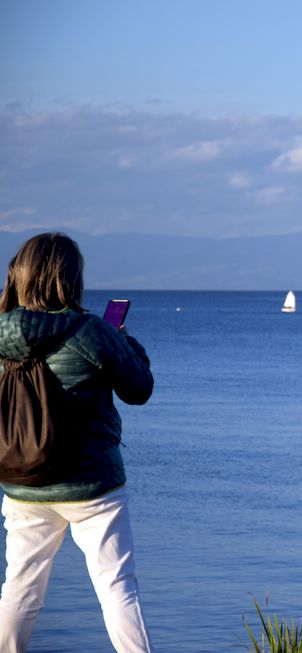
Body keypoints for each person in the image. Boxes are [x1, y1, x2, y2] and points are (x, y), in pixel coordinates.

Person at [0, 233, 155, 652]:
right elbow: (139, 388)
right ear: (70, 279)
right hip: (93, 488)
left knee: (19, 590)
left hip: (22, 481)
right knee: (117, 588)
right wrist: (121, 337)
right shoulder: (90, 331)